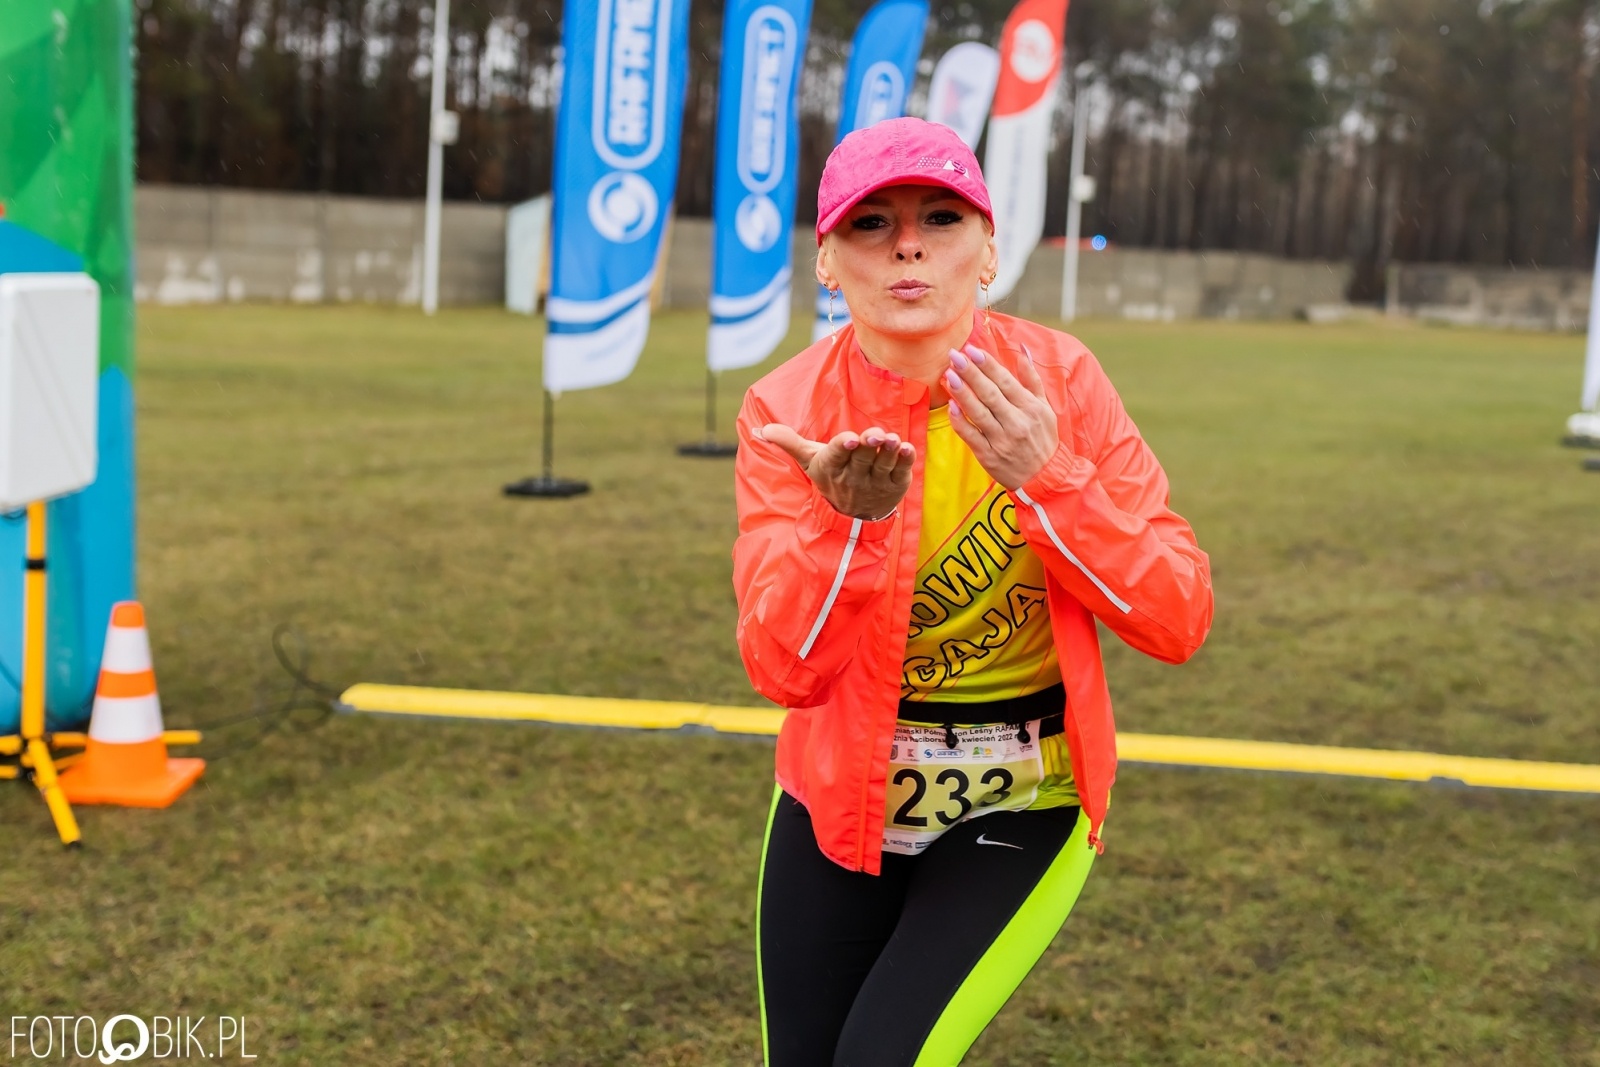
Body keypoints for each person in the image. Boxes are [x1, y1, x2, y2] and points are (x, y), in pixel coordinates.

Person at [732, 117, 1214, 1067]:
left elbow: (1179, 615)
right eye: (872, 223)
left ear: (989, 251)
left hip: (1024, 802)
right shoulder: (786, 412)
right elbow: (784, 672)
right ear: (826, 261)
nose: (908, 244)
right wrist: (848, 525)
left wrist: (1051, 479)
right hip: (837, 796)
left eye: (942, 217)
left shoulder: (1064, 383)